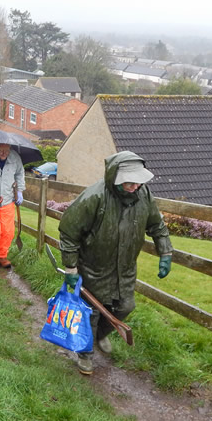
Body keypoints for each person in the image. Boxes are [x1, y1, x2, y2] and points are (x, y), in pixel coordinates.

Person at [58, 151, 172, 375]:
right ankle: (86, 355)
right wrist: (71, 267)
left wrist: (165, 252)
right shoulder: (95, 197)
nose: (134, 187)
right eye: (129, 183)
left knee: (125, 307)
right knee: (90, 312)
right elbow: (69, 232)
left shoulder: (144, 195)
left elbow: (157, 226)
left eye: (137, 183)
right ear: (116, 179)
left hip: (125, 269)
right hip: (93, 268)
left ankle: (99, 335)